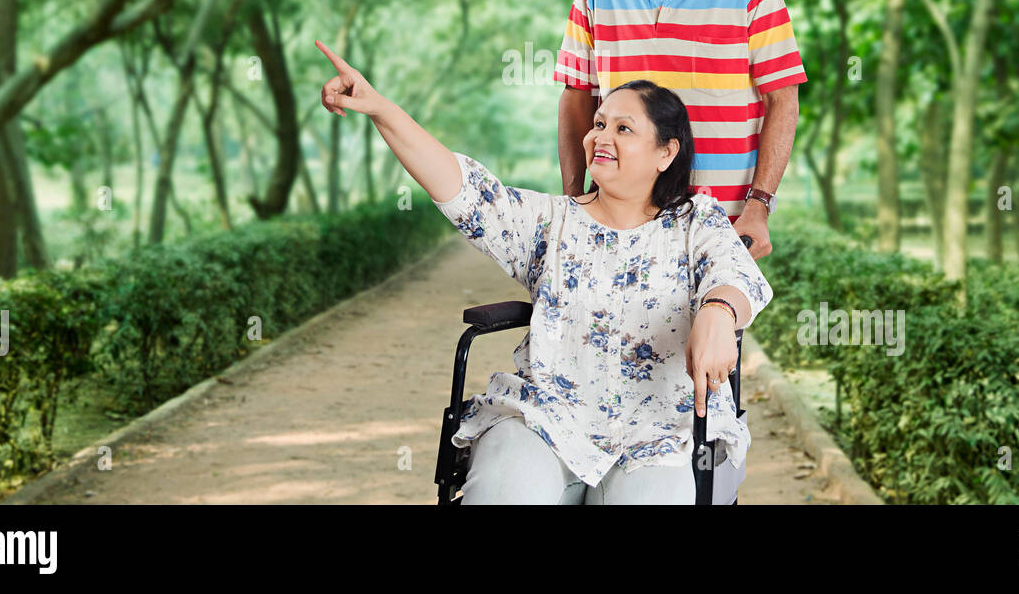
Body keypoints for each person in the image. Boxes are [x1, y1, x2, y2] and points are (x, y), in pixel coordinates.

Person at [316, 39, 772, 505]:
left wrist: (717, 311)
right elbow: (461, 187)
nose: (600, 137)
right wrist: (380, 109)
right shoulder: (551, 222)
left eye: (624, 128)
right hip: (549, 420)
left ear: (665, 152)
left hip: (664, 428)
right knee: (504, 488)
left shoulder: (696, 221)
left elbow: (734, 275)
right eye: (598, 124)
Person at [555, 0, 807, 259]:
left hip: (718, 228)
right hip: (618, 223)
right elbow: (577, 95)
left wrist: (758, 206)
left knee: (713, 324)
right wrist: (573, 200)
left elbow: (783, 99)